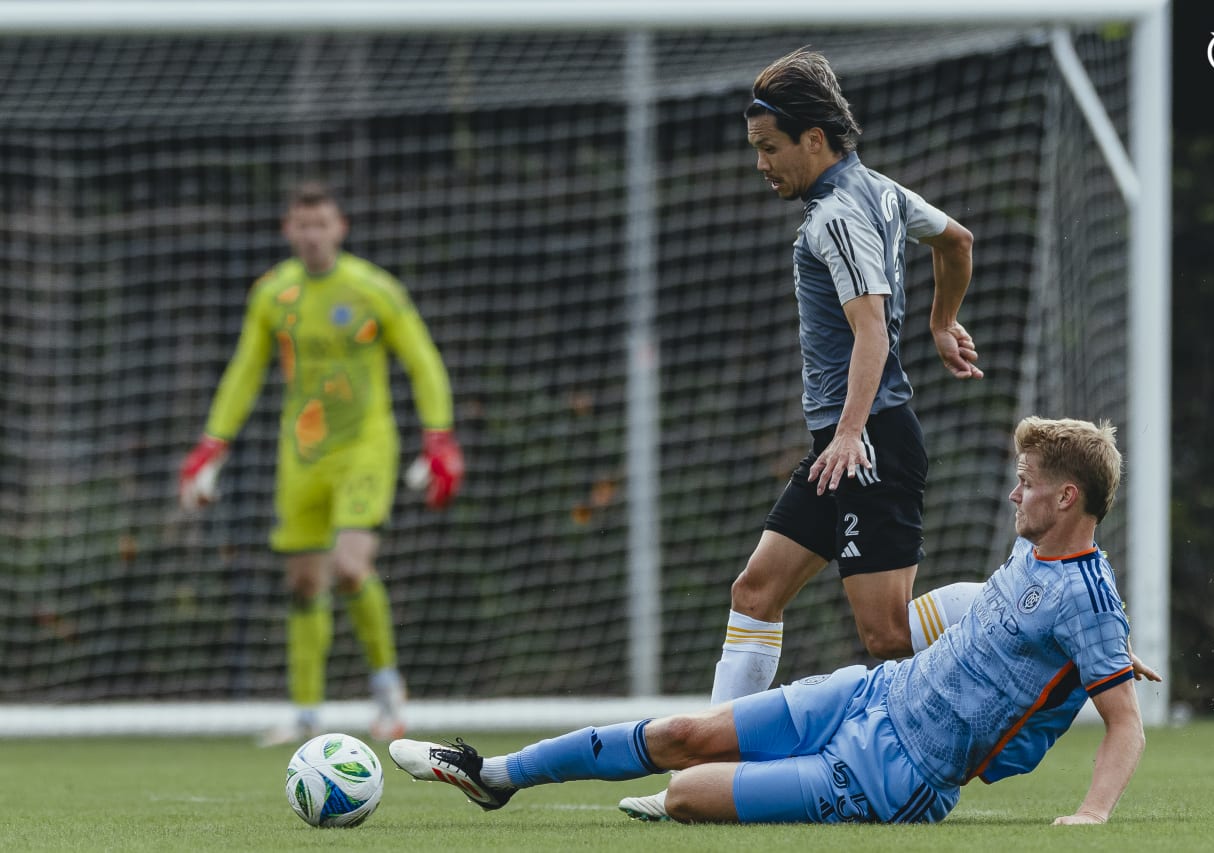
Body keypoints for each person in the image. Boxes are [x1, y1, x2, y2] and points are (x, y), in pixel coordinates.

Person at [390, 417, 1154, 826]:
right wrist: (1100, 651)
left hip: (896, 776)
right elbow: (997, 621)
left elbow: (1127, 724)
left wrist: (1090, 814)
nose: (1012, 496)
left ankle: (744, 792)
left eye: (1026, 485)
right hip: (870, 693)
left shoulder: (1087, 596)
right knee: (684, 735)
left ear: (1066, 500)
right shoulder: (1043, 565)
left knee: (688, 793)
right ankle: (496, 776)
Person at [615, 46, 986, 818]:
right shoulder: (880, 190)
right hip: (846, 442)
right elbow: (958, 240)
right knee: (755, 591)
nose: (762, 164)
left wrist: (851, 431)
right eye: (756, 149)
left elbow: (872, 333)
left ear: (814, 139)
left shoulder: (838, 213)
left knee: (885, 636)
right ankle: (701, 768)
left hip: (870, 438)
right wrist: (944, 320)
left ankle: (1016, 612)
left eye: (770, 147)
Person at [178, 182, 464, 746]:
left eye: (322, 223)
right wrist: (212, 445)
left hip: (365, 447)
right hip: (301, 454)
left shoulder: (372, 289)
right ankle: (307, 714)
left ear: (341, 227)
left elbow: (422, 359)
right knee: (304, 583)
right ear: (288, 230)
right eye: (302, 224)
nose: (312, 234)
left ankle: (386, 686)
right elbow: (244, 371)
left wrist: (439, 438)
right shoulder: (272, 295)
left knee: (351, 566)